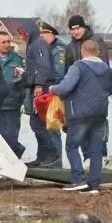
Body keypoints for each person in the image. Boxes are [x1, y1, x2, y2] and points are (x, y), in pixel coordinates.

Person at [50, 39, 112, 194]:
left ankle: (79, 180)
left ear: (82, 51)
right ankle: (94, 185)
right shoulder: (107, 70)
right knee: (96, 151)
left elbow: (65, 88)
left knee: (72, 146)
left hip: (80, 113)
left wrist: (52, 88)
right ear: (98, 52)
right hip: (100, 114)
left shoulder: (77, 67)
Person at [24, 23, 68, 167]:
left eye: (45, 35)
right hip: (41, 88)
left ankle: (55, 161)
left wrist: (39, 84)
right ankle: (42, 157)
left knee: (50, 125)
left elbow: (51, 70)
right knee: (37, 124)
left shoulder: (52, 48)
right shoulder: (37, 45)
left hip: (48, 90)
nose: (42, 37)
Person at [0, 31, 27, 158]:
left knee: (11, 138)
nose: (7, 45)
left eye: (8, 42)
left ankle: (15, 157)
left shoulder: (18, 60)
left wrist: (24, 102)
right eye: (3, 42)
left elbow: (25, 83)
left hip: (12, 105)